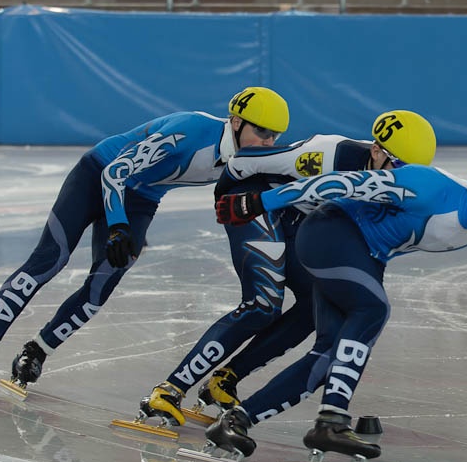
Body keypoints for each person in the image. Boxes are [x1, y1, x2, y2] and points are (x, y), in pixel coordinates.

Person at [204, 149, 467, 461]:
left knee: (329, 356)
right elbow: (341, 183)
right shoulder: (425, 187)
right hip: (330, 233)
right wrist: (261, 202)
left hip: (365, 256)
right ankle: (332, 420)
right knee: (372, 308)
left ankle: (237, 421)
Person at [0, 86, 290, 389]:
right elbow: (116, 172)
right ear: (235, 122)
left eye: (274, 136)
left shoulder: (247, 161)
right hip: (99, 172)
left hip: (141, 200)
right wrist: (118, 225)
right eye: (262, 132)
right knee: (50, 259)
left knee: (103, 285)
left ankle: (37, 350)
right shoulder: (193, 130)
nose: (268, 142)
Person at [137, 110, 438, 427]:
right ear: (376, 151)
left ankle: (225, 379)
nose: (401, 177)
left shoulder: (399, 186)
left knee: (314, 306)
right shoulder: (328, 152)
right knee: (262, 304)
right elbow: (245, 162)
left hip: (300, 222)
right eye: (399, 166)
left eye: (413, 171)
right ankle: (169, 390)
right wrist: (227, 199)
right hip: (254, 200)